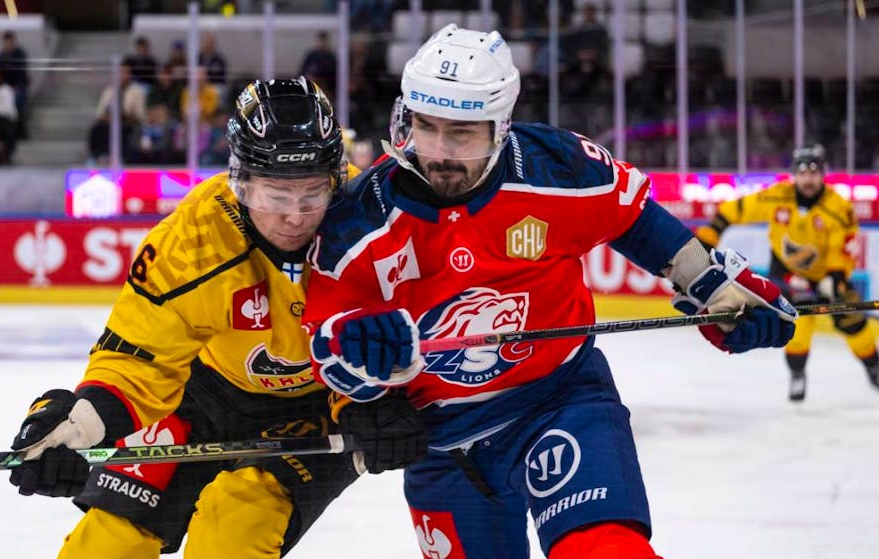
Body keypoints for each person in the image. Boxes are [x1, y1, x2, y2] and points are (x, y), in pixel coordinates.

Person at [302, 24, 797, 559]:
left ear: (500, 127)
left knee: (605, 552)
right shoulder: (359, 218)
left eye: (461, 134)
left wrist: (711, 284)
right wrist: (362, 392)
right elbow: (325, 340)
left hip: (560, 402)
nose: (438, 152)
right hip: (443, 444)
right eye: (426, 127)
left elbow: (630, 216)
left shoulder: (555, 166)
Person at [8, 77, 424, 558]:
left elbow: (407, 330)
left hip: (321, 402)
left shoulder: (372, 218)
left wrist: (376, 402)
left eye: (312, 195)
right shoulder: (193, 238)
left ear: (334, 178)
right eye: (275, 196)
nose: (294, 217)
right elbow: (139, 356)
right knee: (107, 542)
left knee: (234, 527)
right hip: (204, 395)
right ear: (240, 181)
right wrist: (77, 426)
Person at [696, 144, 879, 401]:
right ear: (795, 174)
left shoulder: (838, 207)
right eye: (802, 173)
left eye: (813, 173)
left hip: (827, 275)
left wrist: (835, 277)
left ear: (822, 174)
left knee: (852, 321)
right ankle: (797, 372)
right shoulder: (777, 196)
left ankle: (873, 365)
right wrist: (711, 235)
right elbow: (735, 209)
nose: (808, 179)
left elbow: (845, 247)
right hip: (787, 271)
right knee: (795, 324)